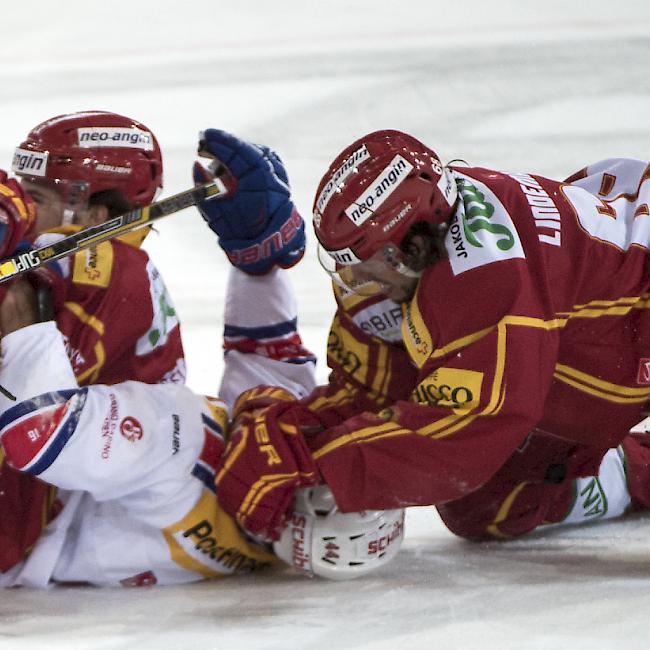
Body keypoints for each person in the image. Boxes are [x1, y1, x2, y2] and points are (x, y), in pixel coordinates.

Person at [0, 131, 405, 587]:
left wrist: (21, 308)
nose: (305, 442)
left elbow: (40, 431)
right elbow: (271, 369)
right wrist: (259, 266)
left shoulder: (184, 448)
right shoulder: (239, 498)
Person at [207, 129, 650, 542]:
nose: (353, 277)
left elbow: (467, 428)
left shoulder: (484, 275)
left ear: (409, 245)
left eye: (364, 259)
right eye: (341, 259)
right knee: (486, 504)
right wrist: (296, 430)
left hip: (632, 312)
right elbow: (376, 393)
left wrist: (313, 466)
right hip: (606, 332)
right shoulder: (412, 259)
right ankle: (633, 470)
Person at [0, 111, 187, 574]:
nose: (22, 207)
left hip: (53, 517)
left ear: (95, 216)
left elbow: (31, 406)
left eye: (37, 197)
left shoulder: (106, 267)